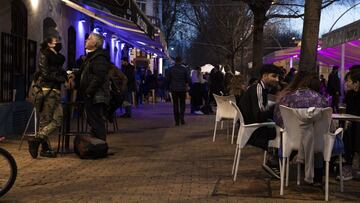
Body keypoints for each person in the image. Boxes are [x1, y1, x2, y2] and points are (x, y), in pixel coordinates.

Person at [273, 72, 329, 186]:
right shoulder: (322, 100)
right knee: (318, 136)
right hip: (316, 142)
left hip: (292, 140)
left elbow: (278, 119)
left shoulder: (288, 99)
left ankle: (281, 167)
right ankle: (318, 178)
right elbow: (327, 123)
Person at [238, 64, 282, 179]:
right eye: (274, 76)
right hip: (253, 130)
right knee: (282, 133)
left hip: (251, 126)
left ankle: (275, 161)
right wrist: (276, 107)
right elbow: (259, 115)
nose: (277, 80)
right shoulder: (258, 89)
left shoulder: (259, 88)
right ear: (265, 76)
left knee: (279, 130)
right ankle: (273, 162)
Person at [27, 36, 69, 158]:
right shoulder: (45, 55)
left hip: (54, 90)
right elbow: (45, 74)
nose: (59, 44)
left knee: (55, 120)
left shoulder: (57, 59)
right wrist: (61, 79)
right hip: (48, 90)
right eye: (56, 42)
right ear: (50, 44)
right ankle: (41, 146)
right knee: (50, 120)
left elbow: (58, 70)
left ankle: (39, 142)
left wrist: (65, 76)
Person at [70, 32, 110, 141]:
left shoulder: (99, 57)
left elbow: (98, 77)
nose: (85, 41)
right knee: (92, 120)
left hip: (96, 95)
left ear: (95, 43)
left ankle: (100, 145)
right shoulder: (91, 57)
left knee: (96, 120)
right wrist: (75, 75)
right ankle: (97, 144)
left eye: (88, 39)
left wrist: (88, 92)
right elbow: (85, 72)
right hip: (91, 94)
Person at [341, 68, 360, 180]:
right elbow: (349, 111)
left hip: (357, 124)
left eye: (349, 81)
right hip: (353, 123)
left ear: (356, 83)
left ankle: (351, 166)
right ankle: (349, 164)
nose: (346, 83)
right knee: (347, 130)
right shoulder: (350, 95)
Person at [166, 56, 190, 126]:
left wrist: (167, 88)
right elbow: (188, 79)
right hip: (182, 89)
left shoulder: (170, 69)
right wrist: (187, 84)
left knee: (175, 104)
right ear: (181, 61)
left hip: (174, 89)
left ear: (175, 61)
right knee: (182, 104)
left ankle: (176, 121)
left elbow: (167, 80)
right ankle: (181, 118)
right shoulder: (184, 69)